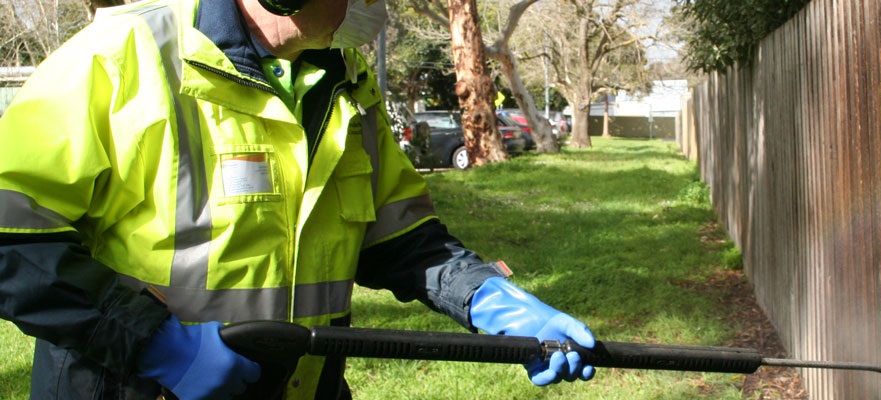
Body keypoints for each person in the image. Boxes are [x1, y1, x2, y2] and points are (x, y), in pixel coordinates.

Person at [0, 0, 596, 398]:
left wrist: (491, 300)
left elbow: (402, 237)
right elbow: (10, 239)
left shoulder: (345, 79)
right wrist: (159, 346)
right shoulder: (118, 56)